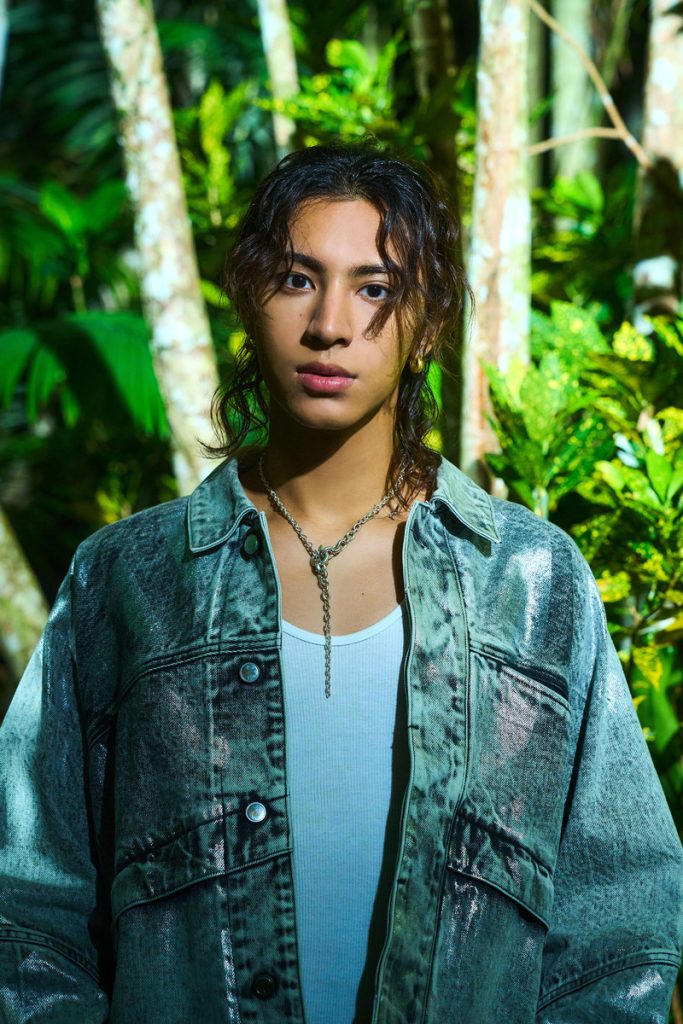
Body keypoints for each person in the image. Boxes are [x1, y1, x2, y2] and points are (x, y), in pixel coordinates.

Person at [0, 141, 681, 1024]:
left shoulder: (530, 580)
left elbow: (619, 931)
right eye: (296, 279)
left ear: (426, 324)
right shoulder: (126, 578)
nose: (328, 324)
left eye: (375, 289)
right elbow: (27, 907)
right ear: (249, 298)